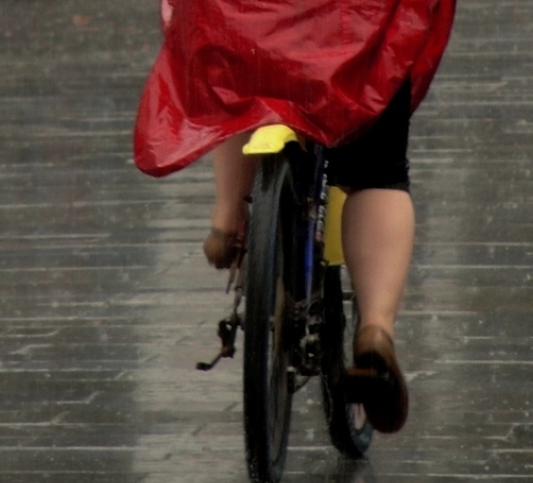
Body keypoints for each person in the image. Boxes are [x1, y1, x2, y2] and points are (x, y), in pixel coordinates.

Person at [134, 0, 456, 434]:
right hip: (355, 22)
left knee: (231, 66)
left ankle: (228, 212)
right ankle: (375, 330)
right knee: (377, 171)